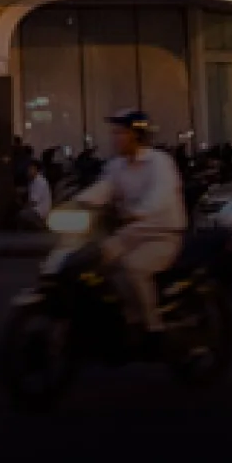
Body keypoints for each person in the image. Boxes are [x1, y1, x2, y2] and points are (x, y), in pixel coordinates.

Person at [82, 109, 187, 346]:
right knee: (93, 260)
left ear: (137, 135)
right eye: (115, 132)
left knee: (133, 266)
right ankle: (116, 318)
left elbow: (161, 196)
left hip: (162, 235)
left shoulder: (160, 162)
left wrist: (138, 213)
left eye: (121, 132)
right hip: (130, 233)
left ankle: (152, 327)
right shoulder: (117, 165)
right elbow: (104, 188)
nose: (116, 138)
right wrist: (77, 204)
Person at [20, 159, 52, 229]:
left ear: (36, 170)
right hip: (36, 208)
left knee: (22, 214)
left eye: (30, 169)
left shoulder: (39, 182)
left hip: (39, 210)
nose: (28, 172)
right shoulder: (33, 181)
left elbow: (34, 201)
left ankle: (40, 225)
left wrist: (23, 207)